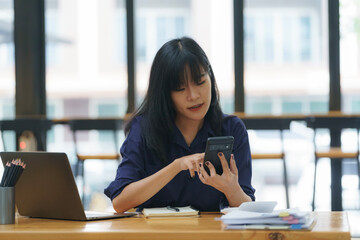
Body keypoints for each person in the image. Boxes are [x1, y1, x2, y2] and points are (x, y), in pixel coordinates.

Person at [104, 37, 255, 213]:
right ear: (164, 93)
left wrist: (231, 189)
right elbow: (120, 202)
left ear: (211, 78)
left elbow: (247, 209)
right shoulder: (144, 129)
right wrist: (176, 166)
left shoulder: (232, 128)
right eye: (180, 88)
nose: (193, 95)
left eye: (200, 82)